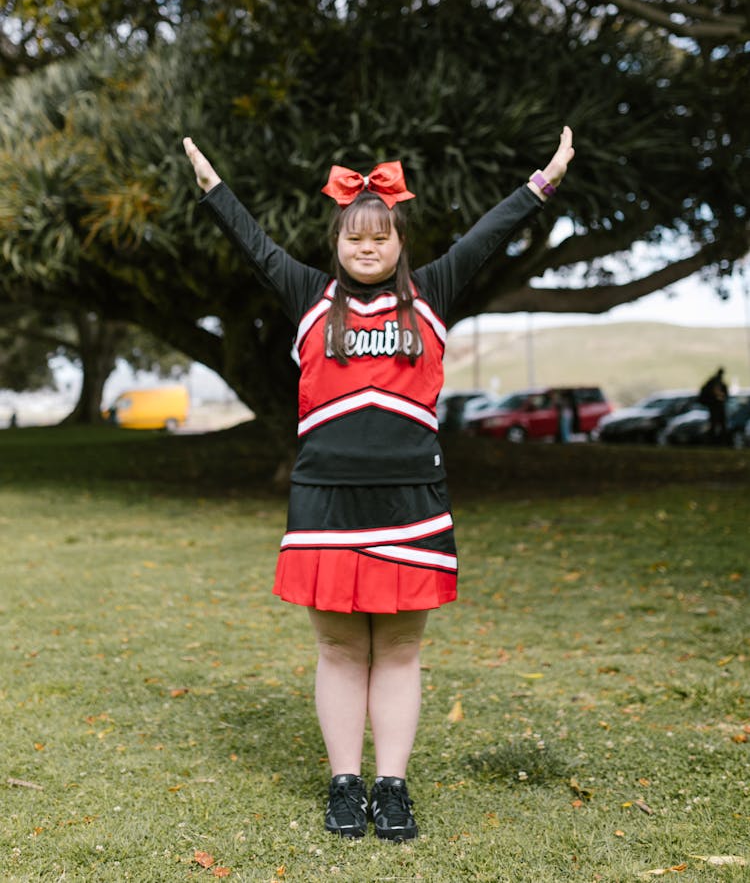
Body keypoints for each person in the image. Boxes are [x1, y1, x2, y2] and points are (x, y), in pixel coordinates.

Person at [183, 127, 575, 841]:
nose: (367, 248)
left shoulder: (435, 292)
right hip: (325, 501)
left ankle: (391, 785)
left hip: (410, 502)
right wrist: (213, 188)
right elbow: (254, 243)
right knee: (337, 648)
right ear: (338, 242)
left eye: (381, 236)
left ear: (400, 241)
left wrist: (542, 182)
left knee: (397, 649)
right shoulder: (306, 295)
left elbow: (491, 233)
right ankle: (343, 783)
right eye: (355, 237)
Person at [699, 367, 729, 444]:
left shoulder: (714, 382)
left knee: (716, 424)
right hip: (715, 405)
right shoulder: (717, 382)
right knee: (717, 424)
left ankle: (717, 441)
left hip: (715, 406)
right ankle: (716, 441)